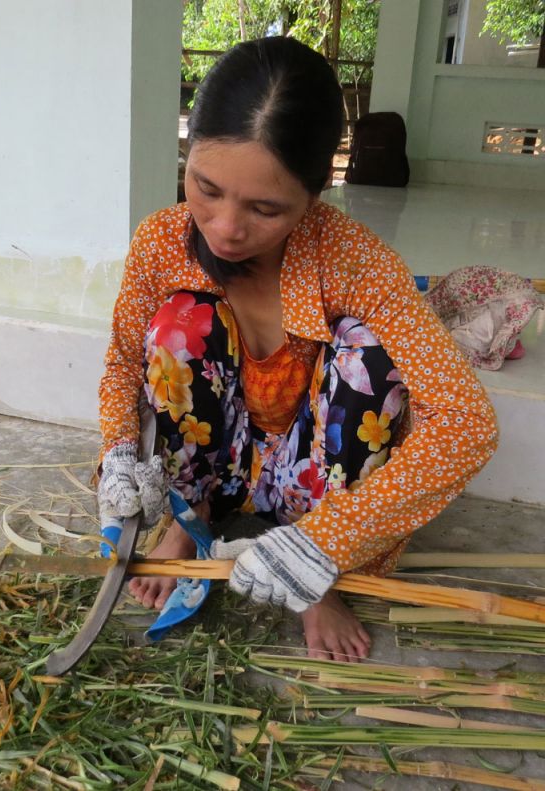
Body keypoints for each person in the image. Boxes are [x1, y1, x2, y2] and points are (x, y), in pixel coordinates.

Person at [96, 36, 498, 662]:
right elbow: (124, 360)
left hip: (314, 474)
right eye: (205, 187)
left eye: (265, 208)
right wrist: (120, 448)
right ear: (189, 154)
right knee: (180, 323)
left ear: (314, 195)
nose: (227, 228)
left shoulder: (356, 260)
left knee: (370, 357)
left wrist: (332, 540)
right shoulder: (160, 243)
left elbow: (467, 426)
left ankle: (311, 565)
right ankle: (190, 511)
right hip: (215, 453)